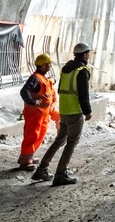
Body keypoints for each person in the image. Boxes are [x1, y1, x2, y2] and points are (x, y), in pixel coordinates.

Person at [32, 42, 93, 186]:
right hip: (75, 111)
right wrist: (87, 111)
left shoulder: (66, 68)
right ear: (85, 54)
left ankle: (41, 169)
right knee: (71, 142)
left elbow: (60, 89)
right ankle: (61, 174)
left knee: (59, 140)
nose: (89, 56)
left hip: (64, 109)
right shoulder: (82, 70)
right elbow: (83, 94)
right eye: (88, 53)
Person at [17, 53, 58, 170]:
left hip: (42, 115)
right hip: (34, 114)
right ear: (43, 65)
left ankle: (28, 157)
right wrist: (33, 102)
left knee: (39, 136)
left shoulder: (43, 78)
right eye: (48, 64)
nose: (50, 66)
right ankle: (25, 162)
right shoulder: (35, 78)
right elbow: (24, 91)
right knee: (32, 136)